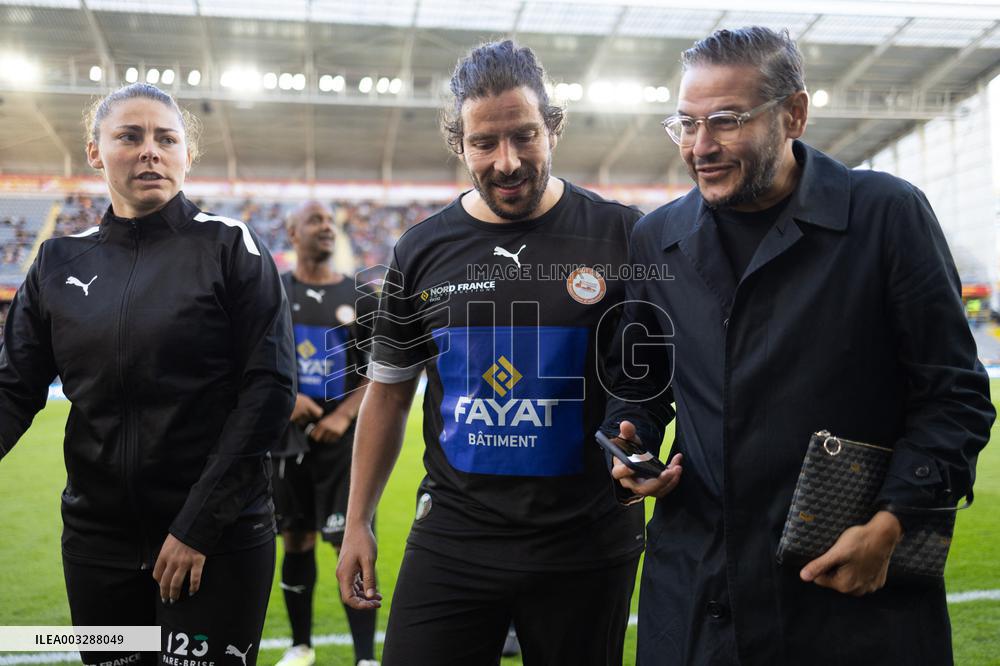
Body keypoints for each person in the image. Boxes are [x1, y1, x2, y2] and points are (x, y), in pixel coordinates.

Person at [601, 27, 995, 665]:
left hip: (849, 587)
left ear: (794, 114)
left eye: (726, 121)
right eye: (686, 124)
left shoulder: (885, 215)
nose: (701, 147)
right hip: (698, 593)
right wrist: (631, 445)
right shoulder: (657, 238)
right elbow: (640, 385)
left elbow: (955, 396)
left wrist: (892, 522)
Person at [336, 40, 645, 666]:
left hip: (584, 543)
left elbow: (653, 380)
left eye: (524, 136)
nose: (507, 161)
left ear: (552, 128)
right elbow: (389, 395)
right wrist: (358, 520)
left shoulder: (621, 234)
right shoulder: (421, 250)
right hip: (456, 536)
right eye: (484, 143)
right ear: (460, 144)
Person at [0, 82, 296, 666]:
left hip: (216, 541)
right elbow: (13, 387)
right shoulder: (58, 262)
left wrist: (196, 527)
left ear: (187, 154)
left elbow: (269, 391)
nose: (150, 152)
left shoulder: (231, 247)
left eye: (167, 139)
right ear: (95, 152)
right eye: (130, 137)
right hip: (97, 545)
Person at [272, 201, 377, 666]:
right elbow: (252, 358)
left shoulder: (361, 296)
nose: (327, 227)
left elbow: (382, 369)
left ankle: (364, 657)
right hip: (287, 442)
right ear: (293, 232)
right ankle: (301, 647)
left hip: (344, 446)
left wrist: (344, 416)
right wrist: (287, 397)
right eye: (315, 220)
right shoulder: (273, 292)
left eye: (331, 221)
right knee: (296, 540)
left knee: (350, 539)